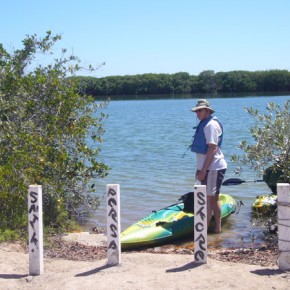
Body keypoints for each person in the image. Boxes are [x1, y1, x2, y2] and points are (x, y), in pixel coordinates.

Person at [190, 99, 227, 233]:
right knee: (207, 198)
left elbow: (212, 149)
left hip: (214, 167)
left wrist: (204, 170)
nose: (197, 113)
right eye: (196, 111)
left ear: (208, 110)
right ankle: (205, 230)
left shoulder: (210, 125)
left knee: (212, 198)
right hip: (207, 167)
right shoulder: (204, 124)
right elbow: (204, 153)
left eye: (200, 110)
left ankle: (217, 229)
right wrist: (199, 169)